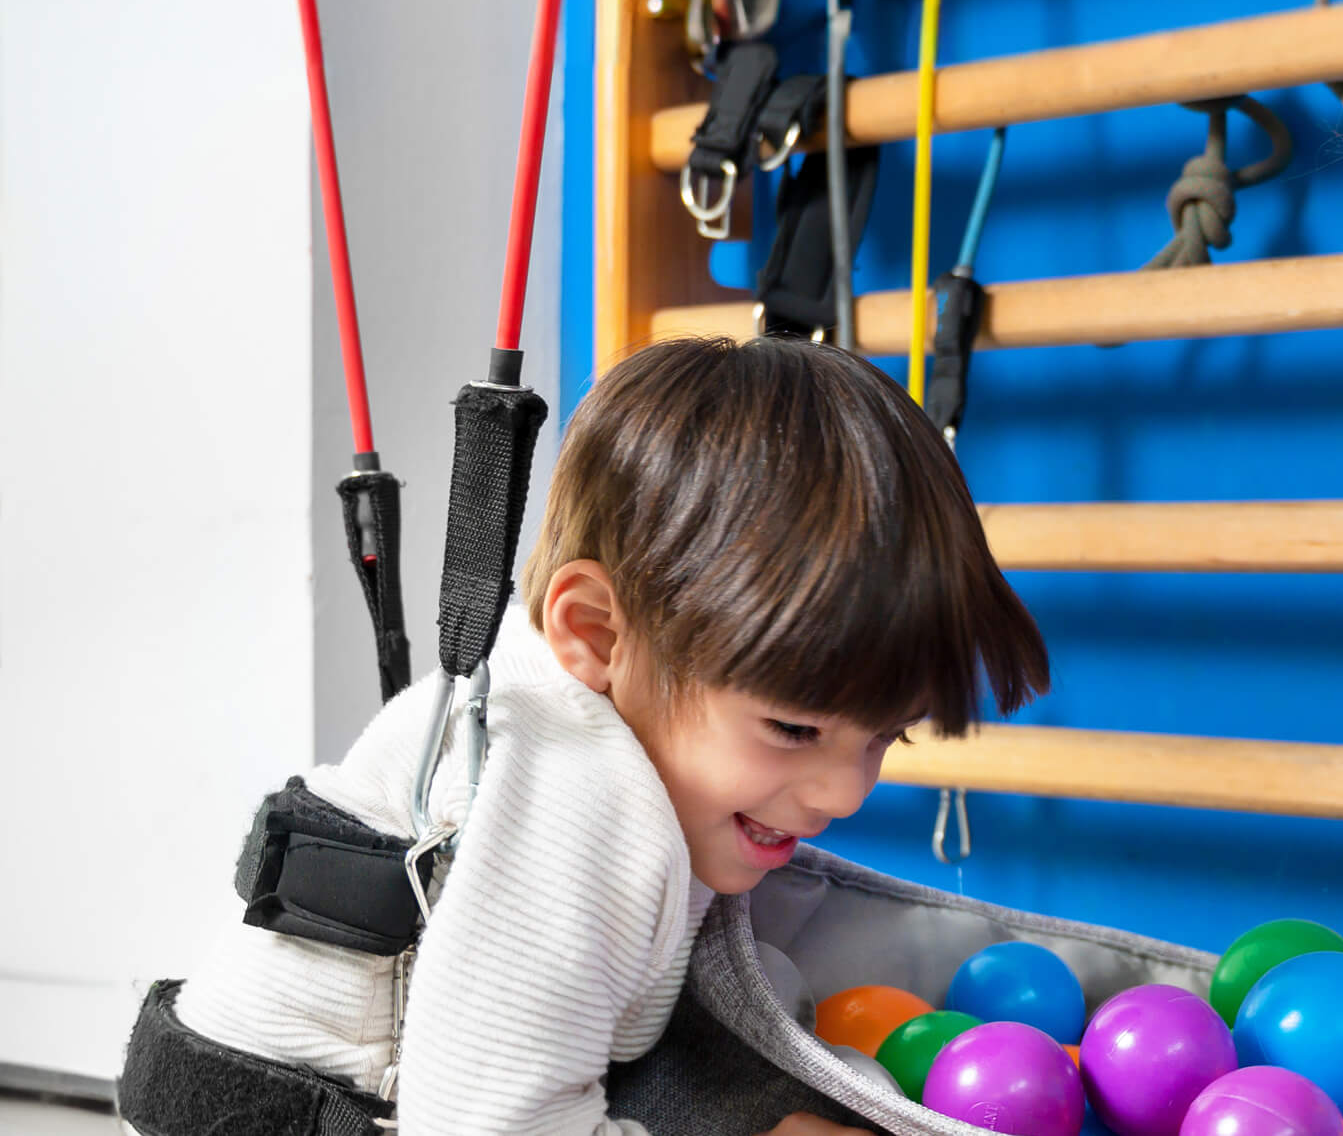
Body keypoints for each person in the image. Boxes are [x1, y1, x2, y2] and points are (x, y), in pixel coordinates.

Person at [117, 337, 1049, 1135]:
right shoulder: (580, 796)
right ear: (597, 632)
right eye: (794, 727)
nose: (846, 793)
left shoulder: (603, 713)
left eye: (887, 737)